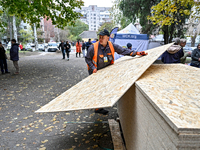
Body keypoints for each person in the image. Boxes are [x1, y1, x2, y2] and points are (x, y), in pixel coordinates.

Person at [85, 29, 147, 115]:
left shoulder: (111, 45)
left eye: (103, 37)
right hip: (95, 71)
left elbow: (123, 51)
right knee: (97, 89)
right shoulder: (93, 47)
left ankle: (101, 104)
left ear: (108, 38)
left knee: (104, 88)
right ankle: (97, 108)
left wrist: (137, 53)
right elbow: (87, 59)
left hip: (106, 71)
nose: (100, 39)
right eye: (100, 37)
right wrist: (92, 68)